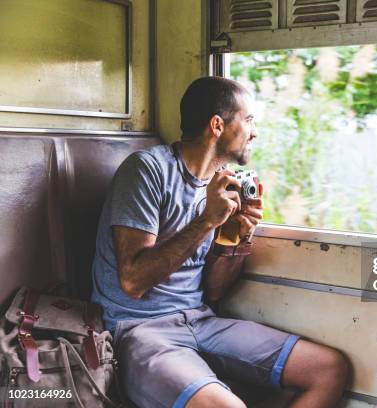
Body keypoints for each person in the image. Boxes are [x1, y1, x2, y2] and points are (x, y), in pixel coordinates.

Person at [91, 76, 349, 408]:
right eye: (249, 120)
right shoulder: (147, 171)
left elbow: (213, 291)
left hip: (199, 319)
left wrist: (237, 236)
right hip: (139, 329)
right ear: (217, 125)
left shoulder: (220, 185)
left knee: (328, 369)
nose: (254, 132)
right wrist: (207, 220)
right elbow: (133, 280)